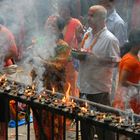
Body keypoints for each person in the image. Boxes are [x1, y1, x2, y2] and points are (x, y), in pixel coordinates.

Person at [76, 5, 120, 140]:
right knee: (85, 127)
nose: (88, 18)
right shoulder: (88, 34)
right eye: (88, 15)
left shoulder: (110, 39)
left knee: (104, 128)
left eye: (91, 16)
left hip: (99, 90)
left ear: (102, 19)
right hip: (84, 87)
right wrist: (78, 43)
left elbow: (116, 62)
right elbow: (84, 52)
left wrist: (97, 59)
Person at [33, 16, 72, 140]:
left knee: (53, 121)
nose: (48, 27)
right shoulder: (40, 41)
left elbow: (58, 65)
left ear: (60, 29)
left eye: (52, 25)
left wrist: (41, 61)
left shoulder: (63, 46)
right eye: (47, 24)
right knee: (39, 119)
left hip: (55, 88)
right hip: (40, 86)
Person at [58, 0, 83, 97]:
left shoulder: (76, 23)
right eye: (60, 9)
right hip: (58, 63)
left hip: (72, 63)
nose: (62, 12)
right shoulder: (56, 21)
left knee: (71, 90)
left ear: (69, 10)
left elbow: (81, 44)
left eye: (65, 9)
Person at [114, 29, 140, 114]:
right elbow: (123, 81)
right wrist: (138, 86)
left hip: (132, 98)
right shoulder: (130, 60)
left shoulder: (134, 57)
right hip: (126, 101)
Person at [0, 24, 18, 140]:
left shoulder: (5, 32)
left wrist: (0, 57)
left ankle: (3, 136)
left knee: (2, 107)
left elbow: (13, 52)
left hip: (3, 74)